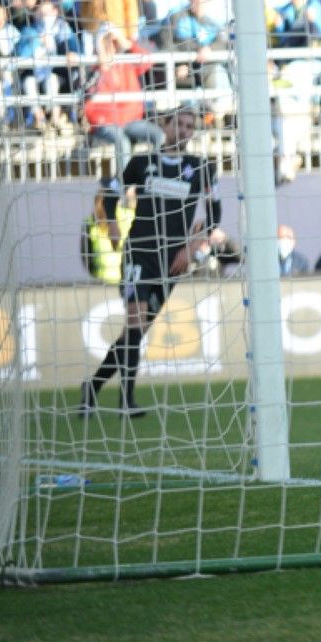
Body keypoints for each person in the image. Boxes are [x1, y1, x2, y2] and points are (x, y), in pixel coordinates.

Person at [79, 107, 219, 417]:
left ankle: (93, 387)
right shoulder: (142, 162)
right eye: (178, 124)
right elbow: (111, 192)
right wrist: (113, 223)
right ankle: (126, 401)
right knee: (134, 321)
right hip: (138, 252)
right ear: (164, 127)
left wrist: (193, 245)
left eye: (188, 126)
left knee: (136, 331)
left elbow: (215, 212)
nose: (183, 130)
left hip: (172, 260)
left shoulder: (201, 167)